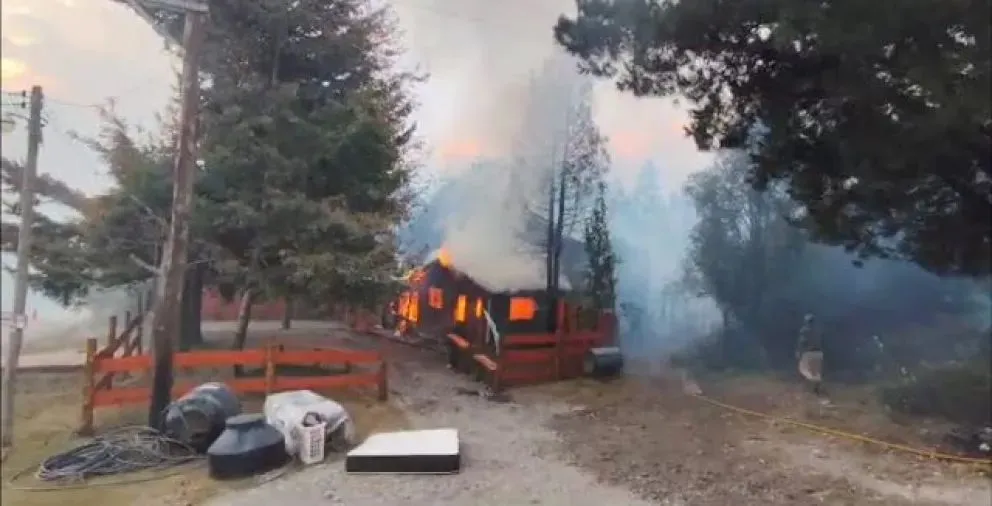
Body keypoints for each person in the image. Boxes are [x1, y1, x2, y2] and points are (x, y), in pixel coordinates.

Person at [796, 313, 824, 395]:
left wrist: (799, 351)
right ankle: (816, 388)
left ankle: (806, 387)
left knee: (804, 369)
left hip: (809, 353)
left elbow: (802, 342)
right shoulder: (818, 330)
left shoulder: (804, 330)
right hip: (818, 353)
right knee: (816, 372)